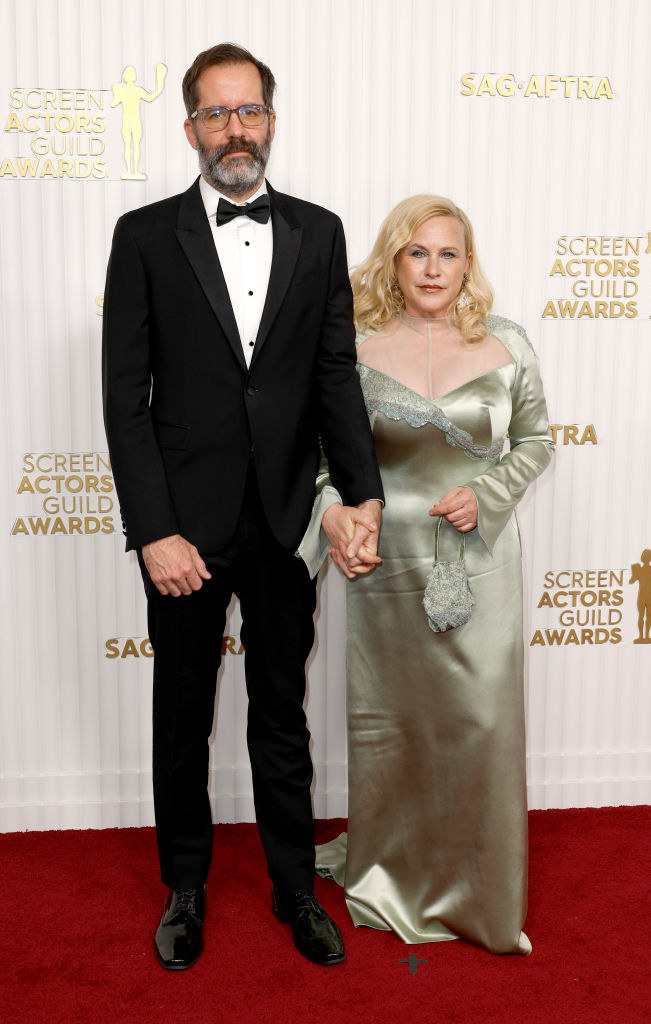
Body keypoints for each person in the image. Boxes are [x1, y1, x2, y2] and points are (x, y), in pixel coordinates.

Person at [102, 42, 383, 971]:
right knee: (182, 717)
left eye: (248, 111)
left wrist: (363, 493)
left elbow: (335, 373)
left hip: (286, 519)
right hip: (183, 529)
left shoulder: (319, 229)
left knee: (280, 714)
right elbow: (125, 399)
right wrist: (154, 532)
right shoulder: (143, 236)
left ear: (271, 118)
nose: (235, 129)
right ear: (190, 129)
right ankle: (184, 885)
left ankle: (294, 887)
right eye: (216, 114)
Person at [301, 195, 554, 954]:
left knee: (480, 724)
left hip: (480, 562)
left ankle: (479, 884)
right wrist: (331, 514)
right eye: (417, 253)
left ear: (467, 263)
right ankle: (388, 871)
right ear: (393, 261)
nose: (433, 269)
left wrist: (488, 493)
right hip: (383, 565)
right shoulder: (353, 346)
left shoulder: (507, 345)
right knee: (394, 728)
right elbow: (319, 461)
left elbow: (536, 442)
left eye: (447, 254)